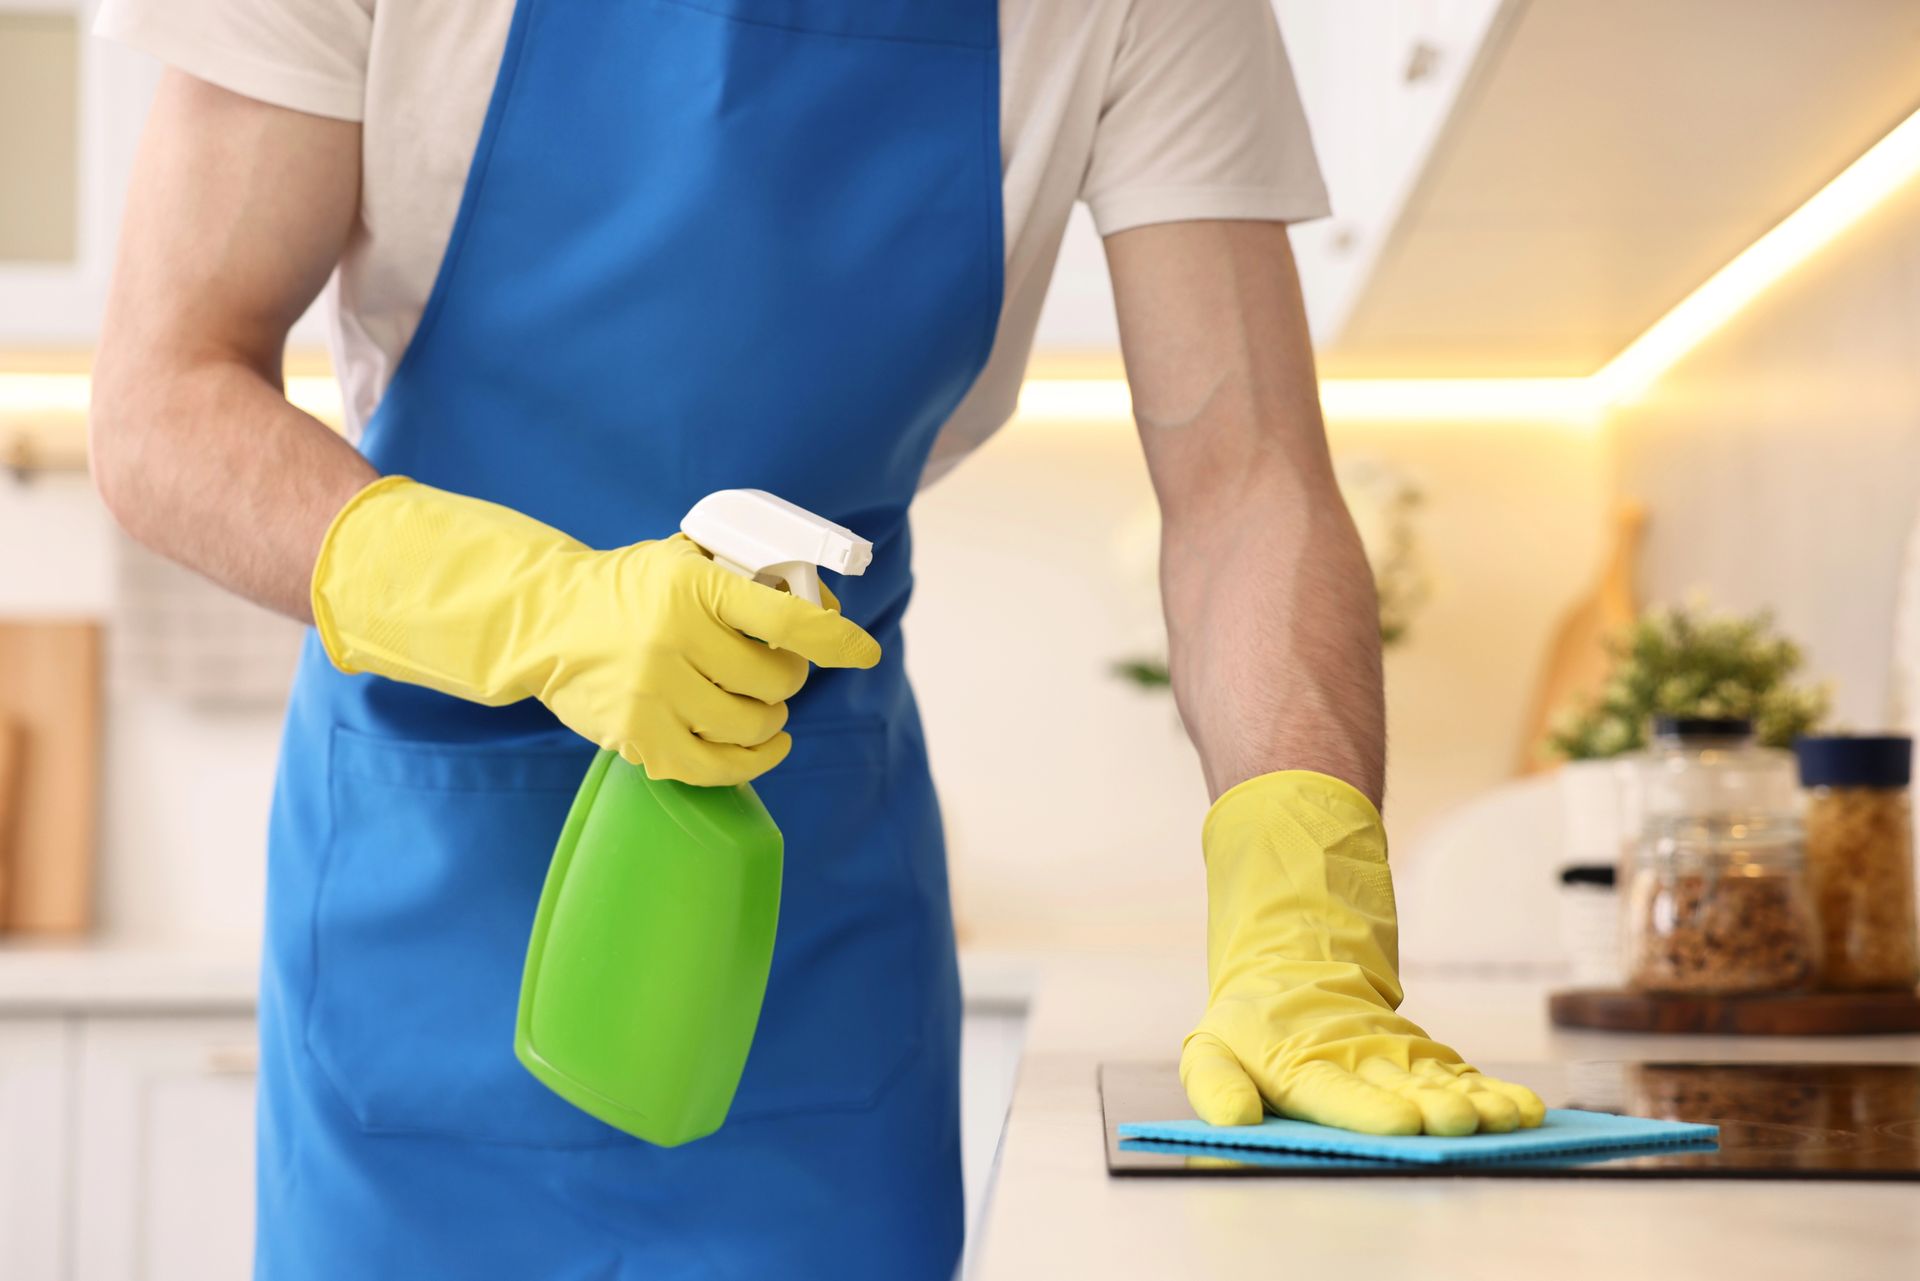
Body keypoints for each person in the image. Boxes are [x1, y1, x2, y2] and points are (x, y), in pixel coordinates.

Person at [88, 0, 1545, 1276]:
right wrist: (544, 611)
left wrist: (1307, 914)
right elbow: (162, 400)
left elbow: (1248, 481)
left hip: (813, 915)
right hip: (426, 909)